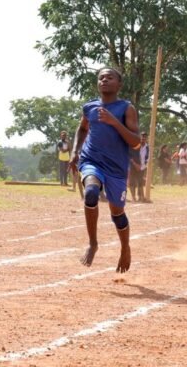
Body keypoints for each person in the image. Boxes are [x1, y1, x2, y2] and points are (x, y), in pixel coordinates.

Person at [70, 67, 139, 273]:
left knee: (117, 213)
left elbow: (136, 142)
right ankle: (93, 243)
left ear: (119, 84)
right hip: (91, 160)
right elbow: (83, 128)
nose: (104, 80)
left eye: (110, 77)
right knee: (91, 193)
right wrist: (75, 151)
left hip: (116, 168)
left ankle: (125, 248)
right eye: (101, 78)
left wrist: (114, 122)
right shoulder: (89, 107)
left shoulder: (127, 108)